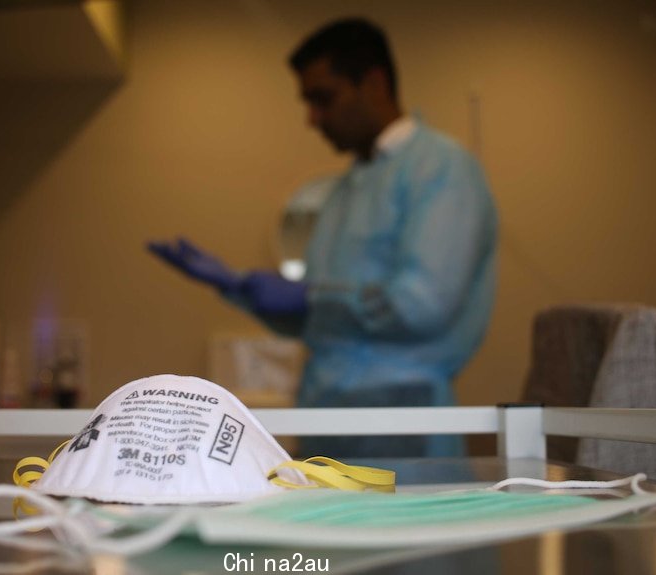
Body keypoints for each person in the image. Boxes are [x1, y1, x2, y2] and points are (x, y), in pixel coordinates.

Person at [148, 18, 497, 458]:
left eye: (322, 99)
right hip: (324, 422)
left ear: (373, 83)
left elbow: (421, 304)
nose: (312, 119)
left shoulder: (443, 168)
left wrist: (310, 297)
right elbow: (323, 322)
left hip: (404, 425)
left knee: (397, 526)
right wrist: (237, 288)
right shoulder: (341, 192)